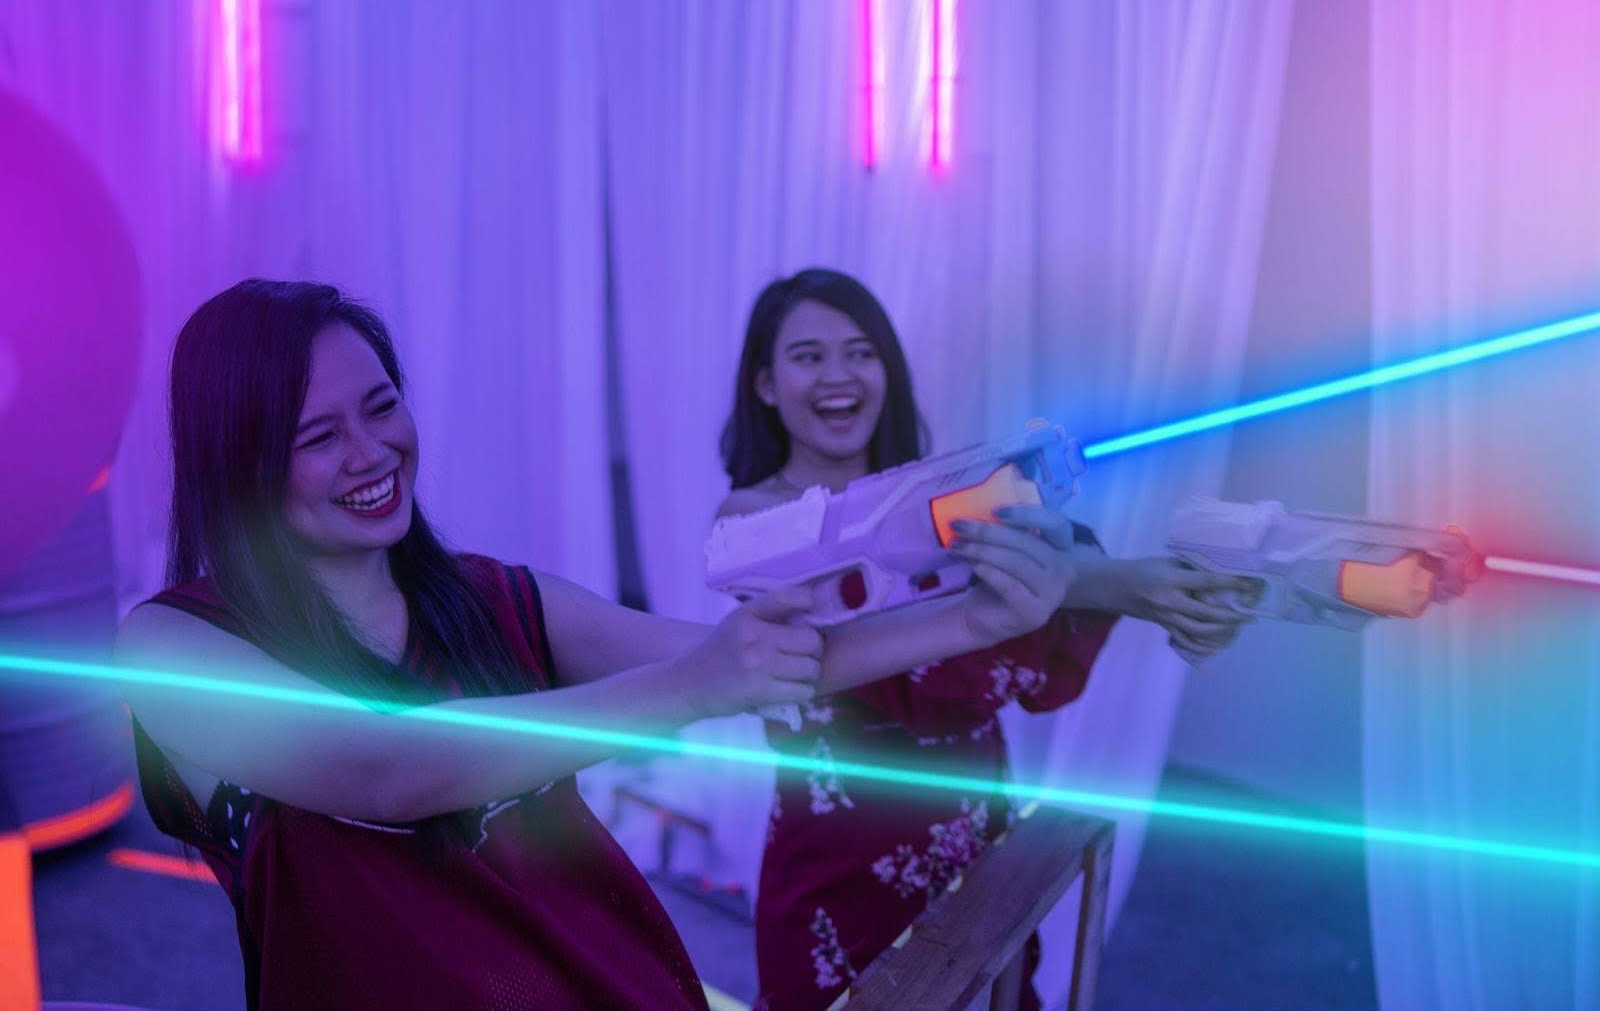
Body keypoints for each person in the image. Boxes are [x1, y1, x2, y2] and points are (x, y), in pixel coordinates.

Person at [116, 279, 1078, 1010]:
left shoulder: (498, 599)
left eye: (381, 407)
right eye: (316, 435)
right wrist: (691, 687)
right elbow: (385, 770)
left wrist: (973, 621)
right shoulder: (174, 646)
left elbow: (769, 660)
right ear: (237, 463)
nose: (372, 453)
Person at [716, 268, 1256, 1009]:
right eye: (808, 355)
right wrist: (1120, 584)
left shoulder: (941, 498)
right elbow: (876, 644)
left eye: (861, 351)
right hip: (838, 859)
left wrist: (1135, 581)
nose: (838, 375)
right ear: (767, 385)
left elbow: (1027, 632)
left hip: (976, 825)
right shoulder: (749, 522)